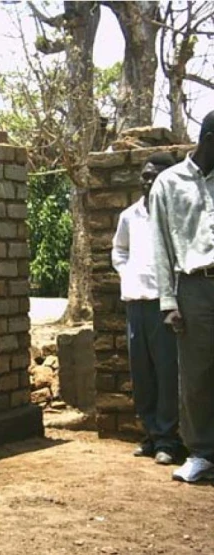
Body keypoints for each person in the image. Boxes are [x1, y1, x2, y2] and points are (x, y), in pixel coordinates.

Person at [149, 110, 214, 482]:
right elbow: (160, 245)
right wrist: (168, 302)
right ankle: (202, 452)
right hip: (194, 287)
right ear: (208, 141)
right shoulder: (169, 183)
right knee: (197, 374)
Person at [112, 152, 182, 465]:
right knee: (142, 375)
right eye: (145, 175)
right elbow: (119, 251)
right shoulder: (129, 215)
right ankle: (151, 435)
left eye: (156, 176)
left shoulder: (176, 214)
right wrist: (128, 275)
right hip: (135, 305)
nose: (149, 181)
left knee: (167, 374)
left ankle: (168, 440)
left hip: (164, 305)